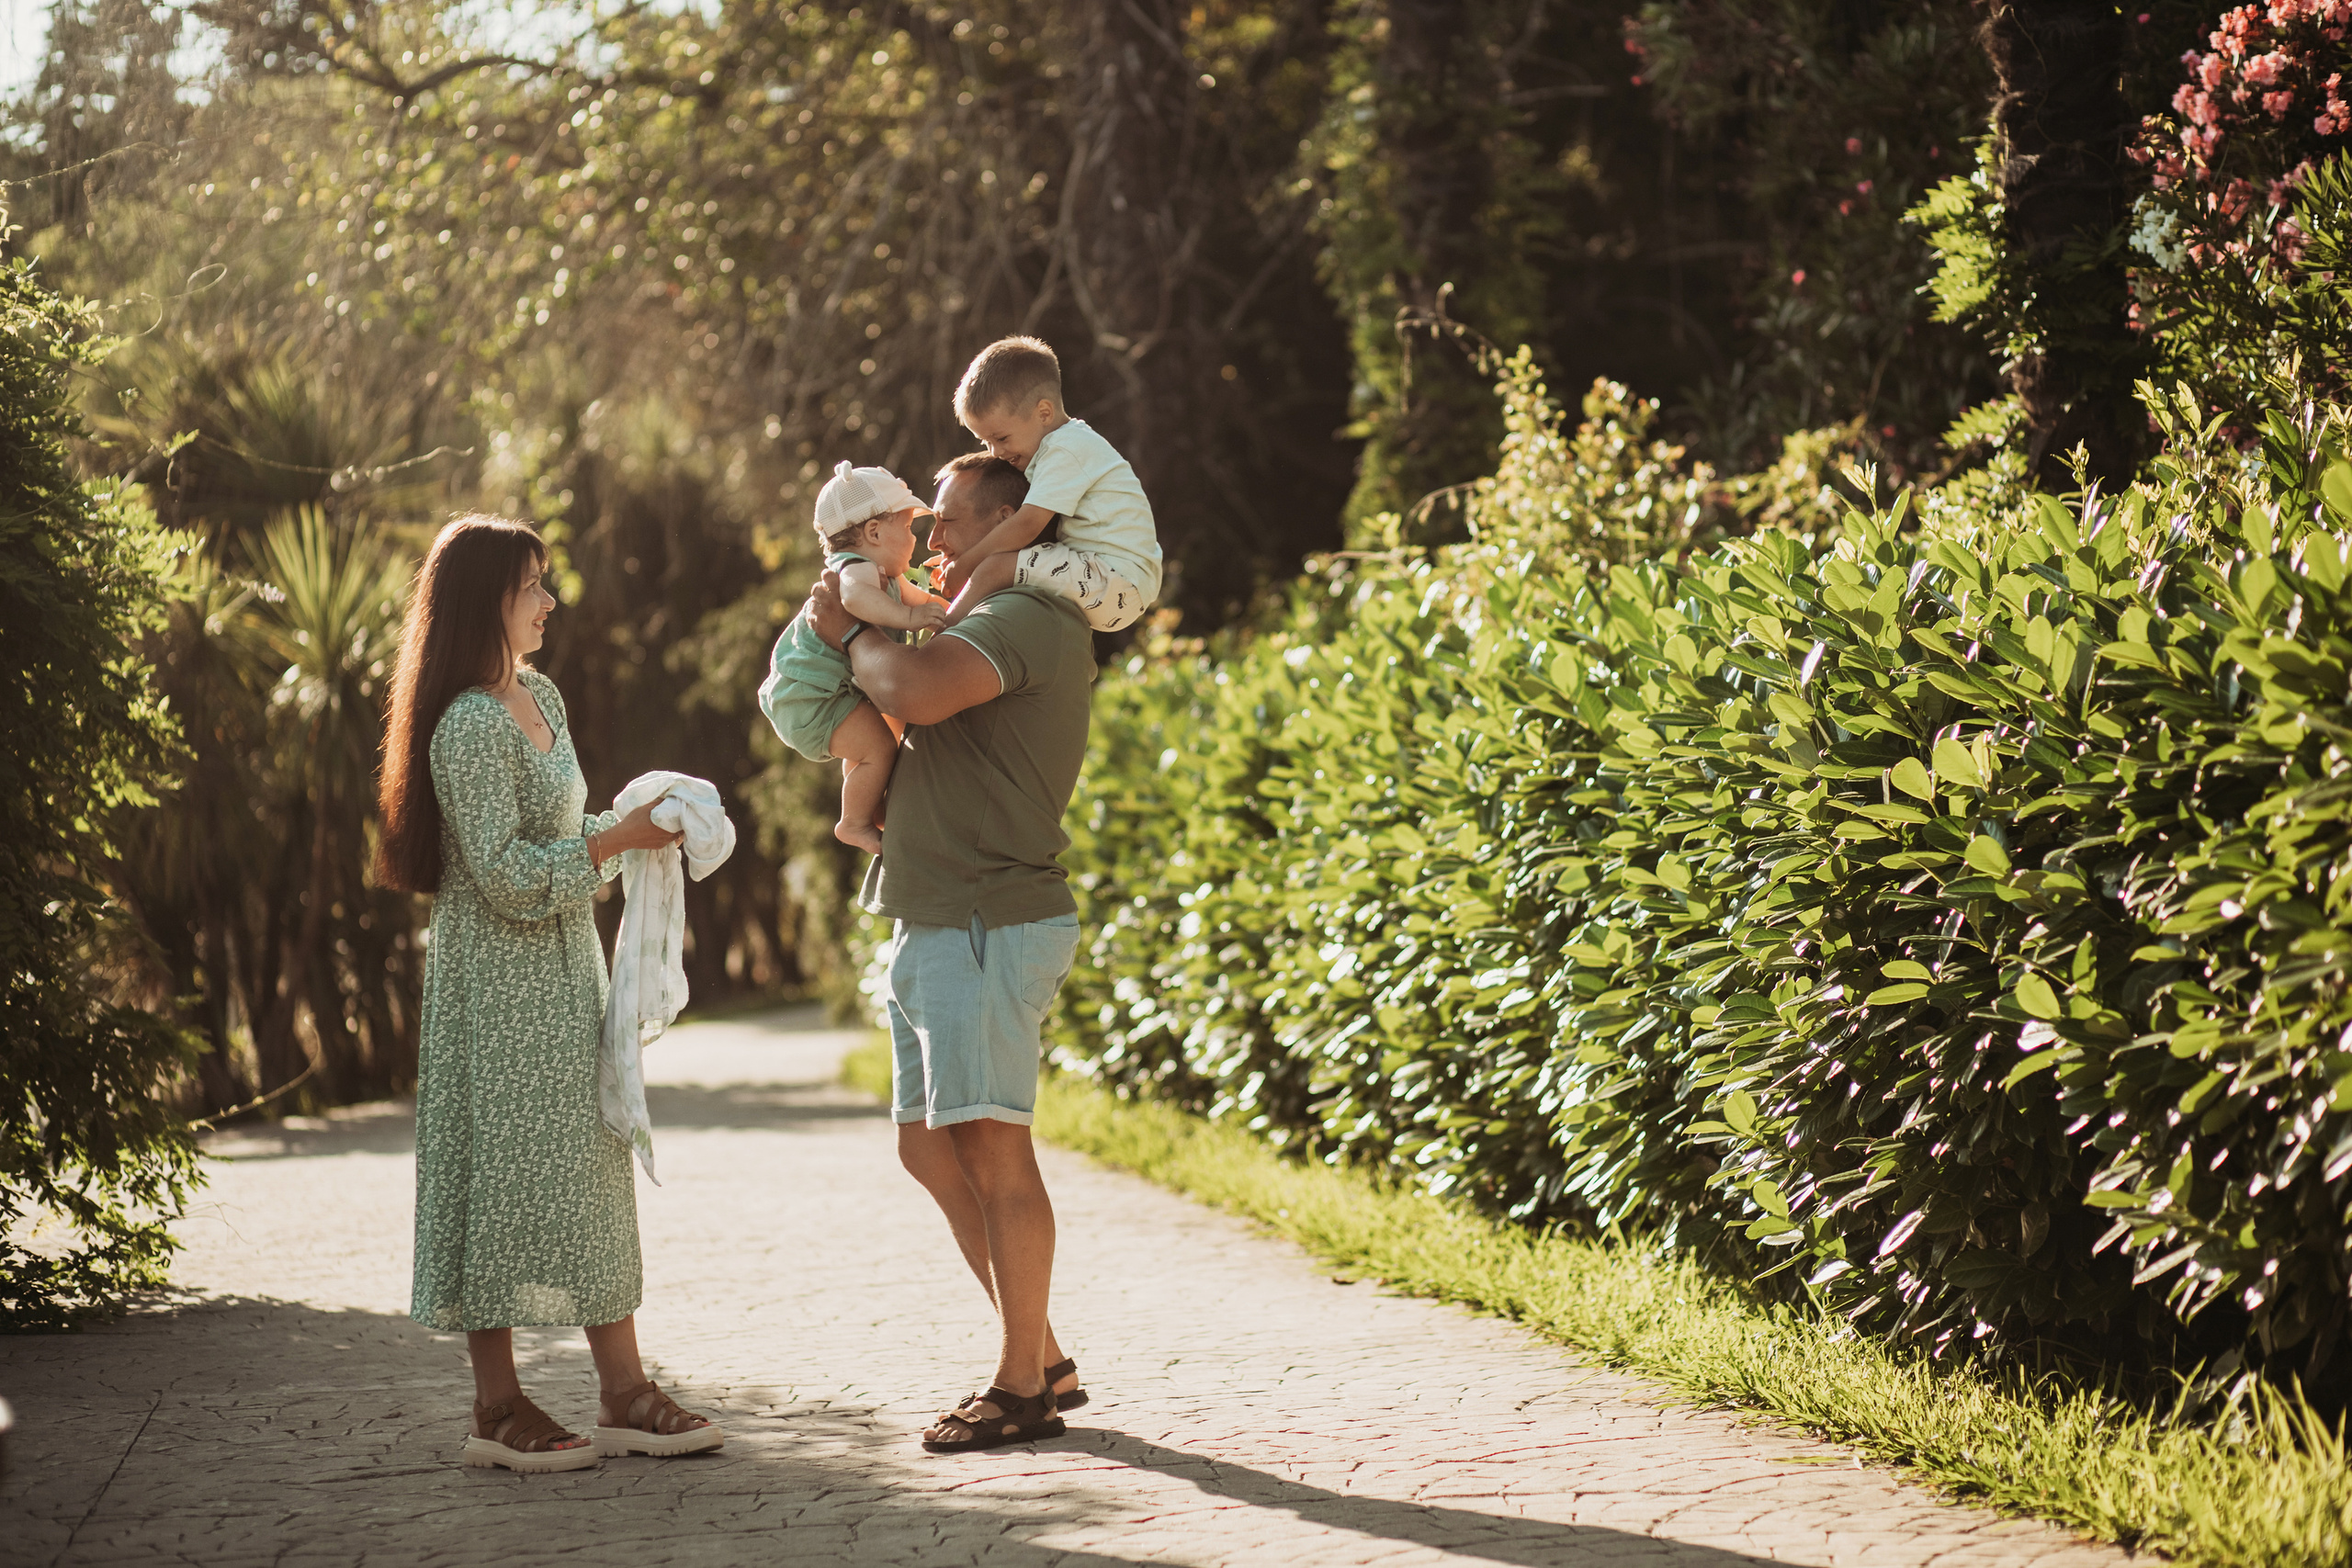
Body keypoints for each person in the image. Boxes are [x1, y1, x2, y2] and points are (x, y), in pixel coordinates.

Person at [376, 513, 723, 1473]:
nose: (549, 602)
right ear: (484, 598)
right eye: (533, 585)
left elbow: (570, 840)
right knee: (500, 1178)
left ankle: (622, 1390)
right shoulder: (467, 724)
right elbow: (501, 873)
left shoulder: (541, 698)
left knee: (592, 1168)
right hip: (496, 986)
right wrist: (615, 842)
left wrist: (645, 818)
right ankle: (496, 1405)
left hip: (569, 973)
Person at [801, 452, 1095, 1453]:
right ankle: (1041, 1350)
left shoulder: (1026, 619)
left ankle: (1022, 1387)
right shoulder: (974, 612)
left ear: (1014, 524)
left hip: (986, 916)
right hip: (936, 914)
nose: (933, 544)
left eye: (953, 524)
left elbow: (911, 692)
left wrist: (844, 631)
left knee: (992, 1146)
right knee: (928, 1144)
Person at [758, 462, 950, 852]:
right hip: (809, 696)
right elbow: (856, 600)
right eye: (909, 528)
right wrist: (912, 618)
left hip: (826, 692)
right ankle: (853, 823)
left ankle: (866, 803)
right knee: (878, 747)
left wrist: (948, 610)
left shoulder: (887, 576)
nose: (915, 539)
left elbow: (926, 600)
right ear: (874, 532)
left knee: (876, 743)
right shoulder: (855, 571)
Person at [937, 335, 1164, 633]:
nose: (994, 451)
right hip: (1114, 580)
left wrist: (965, 565)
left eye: (1001, 438)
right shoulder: (1057, 448)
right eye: (985, 441)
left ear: (1044, 413)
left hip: (1116, 580)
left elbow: (1026, 525)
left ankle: (939, 638)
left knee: (994, 568)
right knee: (1007, 564)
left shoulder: (1066, 448)